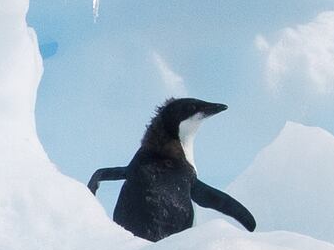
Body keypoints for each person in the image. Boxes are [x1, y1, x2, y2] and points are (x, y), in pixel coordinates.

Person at [88, 97, 256, 241]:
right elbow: (212, 198)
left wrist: (93, 184)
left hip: (129, 249)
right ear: (177, 123)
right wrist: (246, 220)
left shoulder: (141, 162)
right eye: (194, 110)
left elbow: (103, 173)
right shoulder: (181, 169)